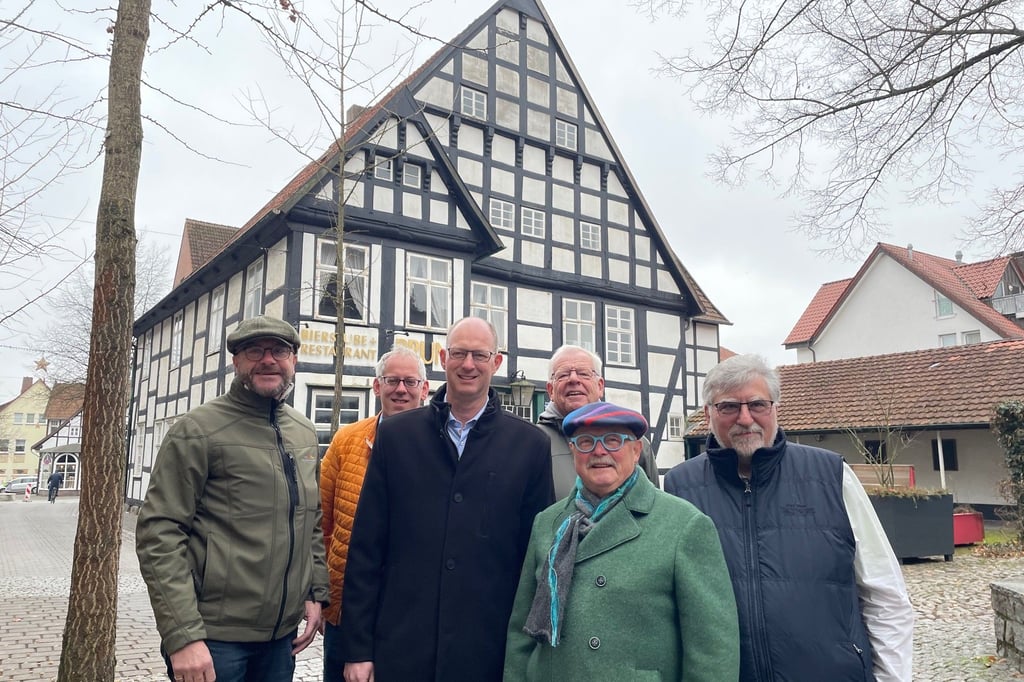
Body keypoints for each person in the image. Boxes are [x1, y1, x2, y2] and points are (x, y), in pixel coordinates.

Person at [664, 354, 914, 681]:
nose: (744, 418)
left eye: (757, 404)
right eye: (728, 407)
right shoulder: (678, 488)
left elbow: (885, 594)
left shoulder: (832, 477)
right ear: (709, 413)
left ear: (775, 408)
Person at [340, 317, 555, 682]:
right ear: (443, 358)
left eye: (479, 355)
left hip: (486, 651)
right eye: (458, 353)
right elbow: (366, 549)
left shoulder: (530, 446)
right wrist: (358, 649)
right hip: (402, 646)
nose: (468, 364)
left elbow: (534, 560)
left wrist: (526, 655)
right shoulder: (396, 436)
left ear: (496, 362)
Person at [136, 315, 329, 682]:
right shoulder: (197, 431)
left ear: (294, 361)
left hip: (279, 641)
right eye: (254, 351)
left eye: (279, 351)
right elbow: (158, 534)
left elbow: (311, 519)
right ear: (236, 361)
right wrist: (183, 636)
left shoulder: (303, 432)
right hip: (214, 640)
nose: (268, 360)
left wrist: (314, 590)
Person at [504, 401, 740, 681]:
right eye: (586, 442)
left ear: (636, 450)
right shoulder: (548, 522)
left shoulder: (684, 524)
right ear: (573, 451)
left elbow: (712, 649)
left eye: (613, 441)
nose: (600, 451)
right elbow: (521, 633)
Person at [319, 346, 429, 681]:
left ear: (425, 390)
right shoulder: (346, 441)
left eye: (410, 381)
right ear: (376, 386)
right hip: (346, 610)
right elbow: (321, 525)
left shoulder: (441, 446)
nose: (401, 389)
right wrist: (323, 597)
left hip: (411, 615)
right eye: (392, 380)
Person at [537, 345, 659, 497]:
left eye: (584, 373)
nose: (574, 379)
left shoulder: (633, 442)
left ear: (600, 386)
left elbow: (653, 505)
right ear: (550, 390)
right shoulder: (533, 442)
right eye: (563, 375)